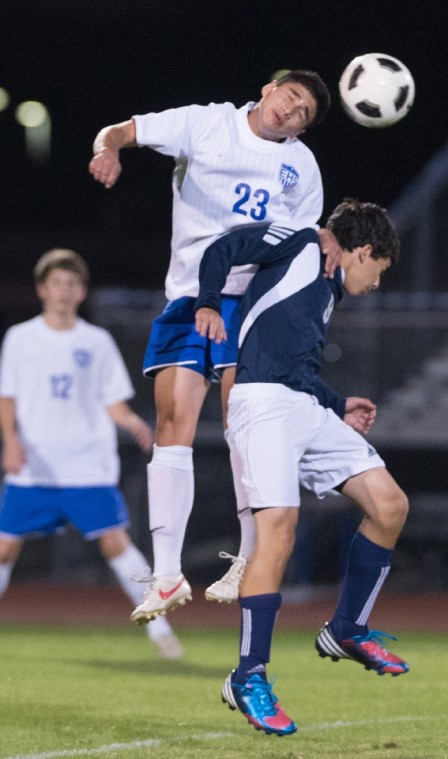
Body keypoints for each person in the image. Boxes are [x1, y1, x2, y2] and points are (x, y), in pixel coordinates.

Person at [88, 71, 338, 621]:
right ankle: (169, 574)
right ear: (270, 88)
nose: (292, 114)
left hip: (248, 304)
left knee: (240, 427)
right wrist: (107, 148)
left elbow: (300, 243)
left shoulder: (302, 166)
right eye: (290, 99)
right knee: (171, 430)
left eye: (303, 115)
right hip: (186, 299)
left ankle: (248, 559)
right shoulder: (205, 123)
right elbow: (120, 130)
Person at [194, 199, 409, 736]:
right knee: (279, 533)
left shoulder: (327, 288)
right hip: (261, 403)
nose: (377, 284)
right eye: (378, 270)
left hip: (303, 406)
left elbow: (295, 362)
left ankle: (346, 628)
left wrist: (338, 404)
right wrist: (206, 304)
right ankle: (248, 676)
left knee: (390, 506)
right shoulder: (302, 242)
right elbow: (224, 247)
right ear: (362, 251)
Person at [0, 249, 183, 659]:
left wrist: (132, 422)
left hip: (87, 467)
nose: (64, 291)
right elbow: (6, 397)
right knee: (4, 548)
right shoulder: (21, 338)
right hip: (34, 468)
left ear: (81, 292)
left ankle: (161, 630)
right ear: (42, 290)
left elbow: (112, 401)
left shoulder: (96, 342)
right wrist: (10, 441)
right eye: (56, 284)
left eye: (71, 284)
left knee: (116, 544)